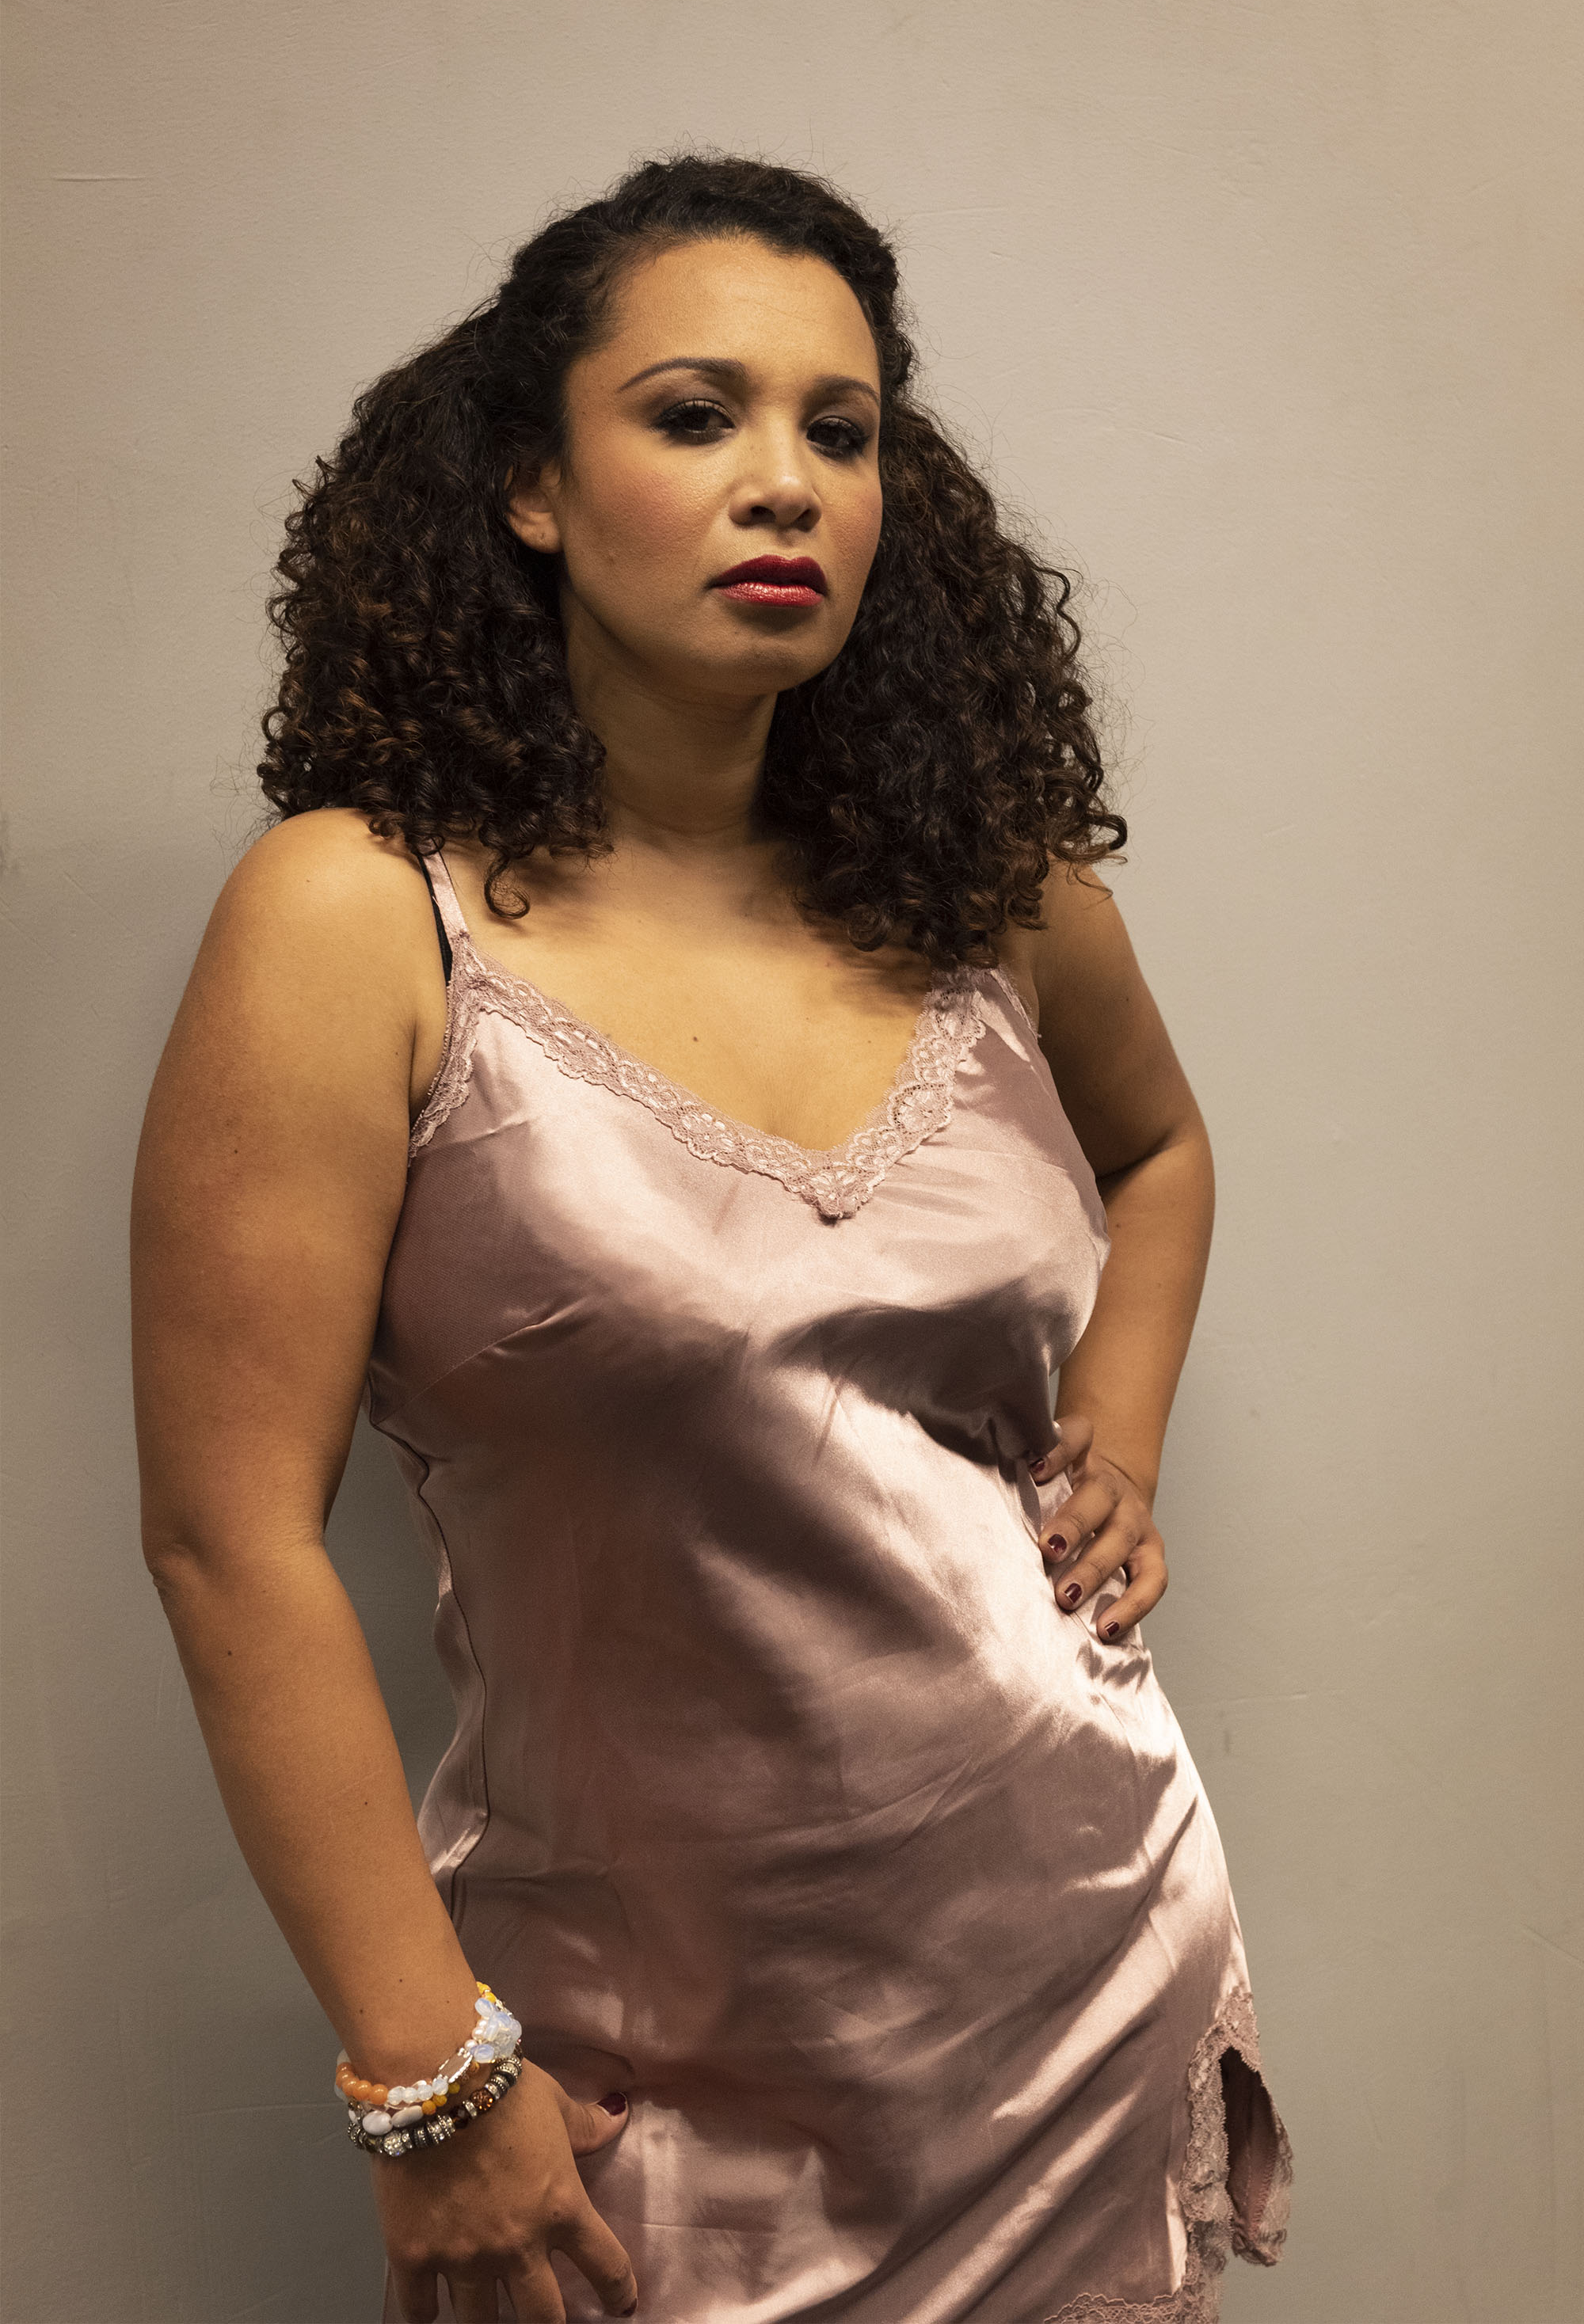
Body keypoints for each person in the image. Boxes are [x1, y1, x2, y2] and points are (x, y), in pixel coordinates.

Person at [131, 154, 1291, 2324]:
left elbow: (1160, 1151)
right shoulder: (359, 917)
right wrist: (428, 2075)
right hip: (636, 2047)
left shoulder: (991, 895)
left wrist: (1118, 1426)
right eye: (695, 416)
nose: (787, 484)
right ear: (530, 486)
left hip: (1073, 1961)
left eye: (840, 433)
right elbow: (227, 1542)